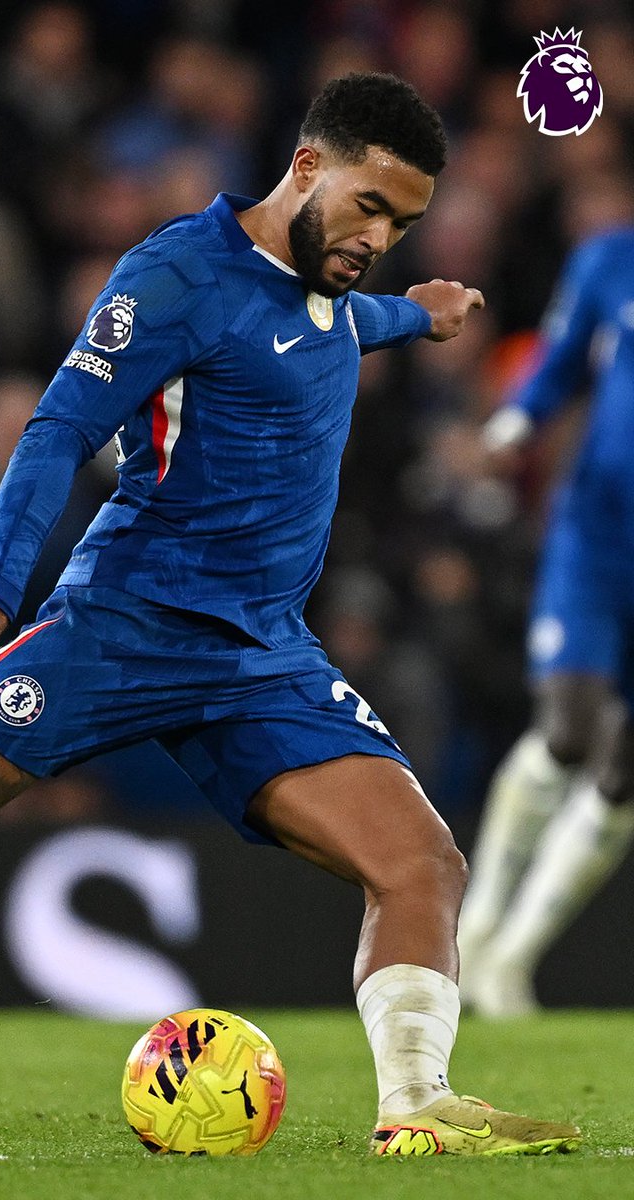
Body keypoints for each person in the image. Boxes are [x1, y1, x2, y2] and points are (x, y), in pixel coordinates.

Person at [0, 74, 579, 1156]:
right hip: (126, 623)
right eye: (370, 207)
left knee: (423, 862)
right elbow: (57, 431)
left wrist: (420, 314)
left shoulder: (339, 286)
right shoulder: (177, 276)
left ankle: (416, 1107)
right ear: (305, 168)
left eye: (405, 223)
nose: (379, 237)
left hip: (262, 655)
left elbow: (334, 323)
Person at [458, 217, 634, 1019]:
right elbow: (560, 364)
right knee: (569, 728)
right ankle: (475, 931)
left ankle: (512, 960)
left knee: (626, 766)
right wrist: (514, 421)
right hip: (597, 534)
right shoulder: (609, 259)